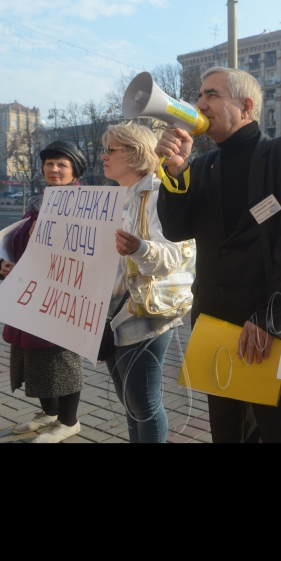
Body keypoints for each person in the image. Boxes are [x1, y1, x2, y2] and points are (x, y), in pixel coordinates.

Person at [156, 67, 281, 444]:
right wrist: (176, 173)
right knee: (229, 435)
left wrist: (269, 319)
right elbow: (177, 229)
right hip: (216, 330)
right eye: (199, 95)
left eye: (211, 95)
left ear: (246, 105)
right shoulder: (203, 166)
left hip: (268, 332)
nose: (199, 104)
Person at [101, 122, 192, 444]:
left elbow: (176, 256)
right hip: (112, 317)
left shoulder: (158, 193)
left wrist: (139, 248)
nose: (103, 156)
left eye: (110, 149)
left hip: (144, 316)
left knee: (145, 405)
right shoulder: (115, 197)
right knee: (131, 404)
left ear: (135, 152)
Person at [2, 141, 87, 444]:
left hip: (60, 296)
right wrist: (7, 264)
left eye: (61, 164)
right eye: (49, 164)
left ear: (74, 170)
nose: (54, 169)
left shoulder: (84, 207)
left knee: (60, 358)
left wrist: (23, 270)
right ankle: (50, 415)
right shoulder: (39, 204)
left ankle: (69, 421)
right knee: (32, 358)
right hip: (28, 295)